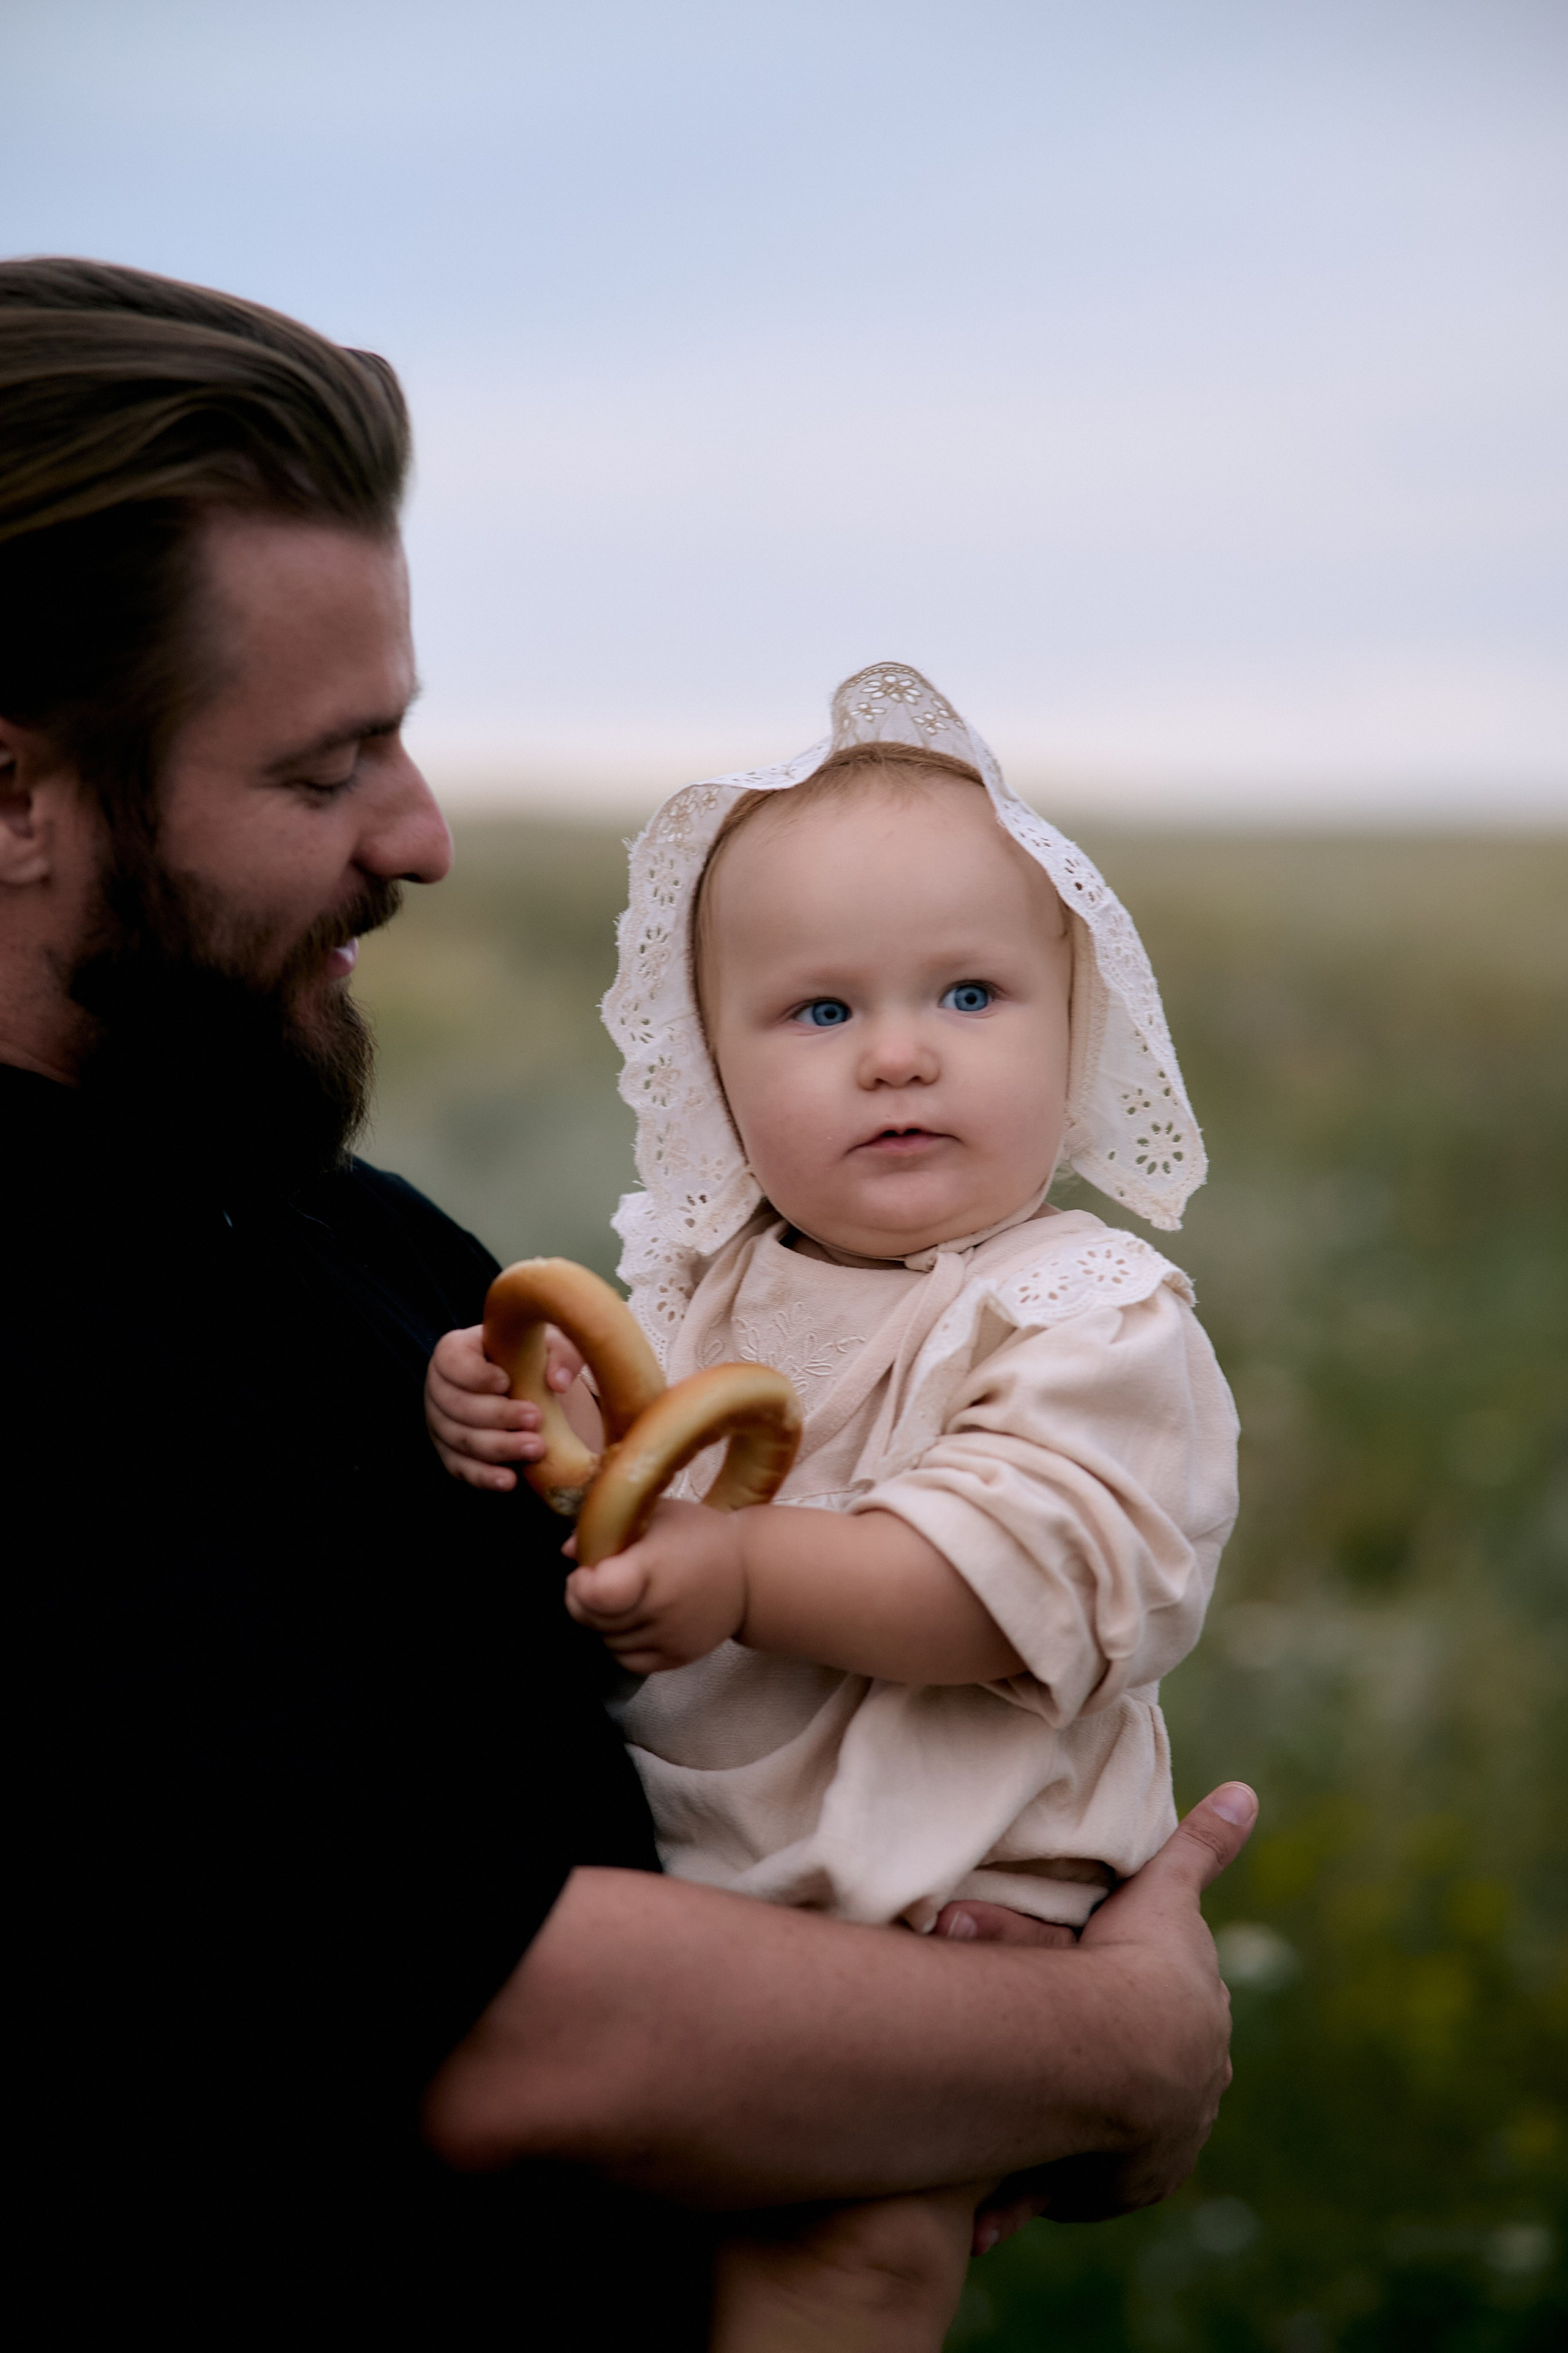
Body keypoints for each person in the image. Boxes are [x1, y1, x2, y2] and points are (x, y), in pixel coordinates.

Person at [4, 259, 1253, 2349]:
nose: (423, 833)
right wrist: (1110, 2046)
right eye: (326, 772)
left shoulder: (334, 1231)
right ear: (15, 795)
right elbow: (501, 2026)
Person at [427, 664, 1240, 2344]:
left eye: (968, 994)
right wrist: (515, 1410)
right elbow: (625, 1453)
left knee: (849, 2249)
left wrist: (734, 1569)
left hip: (962, 1887)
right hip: (727, 1882)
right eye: (817, 1014)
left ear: (1074, 1018)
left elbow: (1003, 1578)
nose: (895, 1056)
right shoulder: (701, 1282)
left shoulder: (1083, 1311)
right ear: (712, 1070)